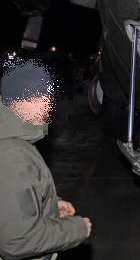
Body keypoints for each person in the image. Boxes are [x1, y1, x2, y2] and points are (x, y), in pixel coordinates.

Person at [0, 60, 91, 259]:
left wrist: (50, 205)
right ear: (19, 101)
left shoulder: (17, 140)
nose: (49, 106)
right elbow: (18, 241)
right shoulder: (11, 155)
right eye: (41, 98)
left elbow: (15, 203)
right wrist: (78, 228)